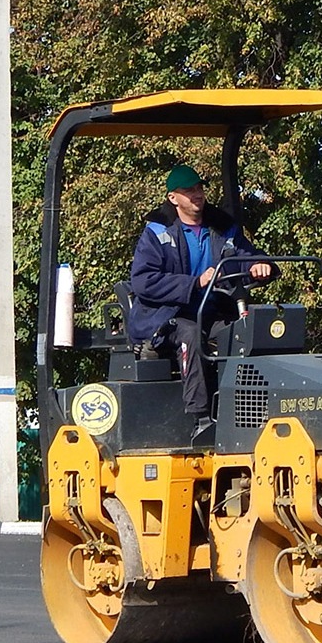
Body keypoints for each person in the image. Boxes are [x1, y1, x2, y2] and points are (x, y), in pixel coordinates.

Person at [128, 165, 274, 441]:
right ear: (174, 198)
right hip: (164, 317)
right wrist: (193, 283)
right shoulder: (157, 232)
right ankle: (202, 419)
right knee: (191, 335)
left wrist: (259, 264)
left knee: (248, 333)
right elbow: (143, 282)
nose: (197, 195)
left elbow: (244, 254)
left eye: (199, 188)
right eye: (189, 191)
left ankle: (254, 414)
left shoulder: (222, 227)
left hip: (212, 311)